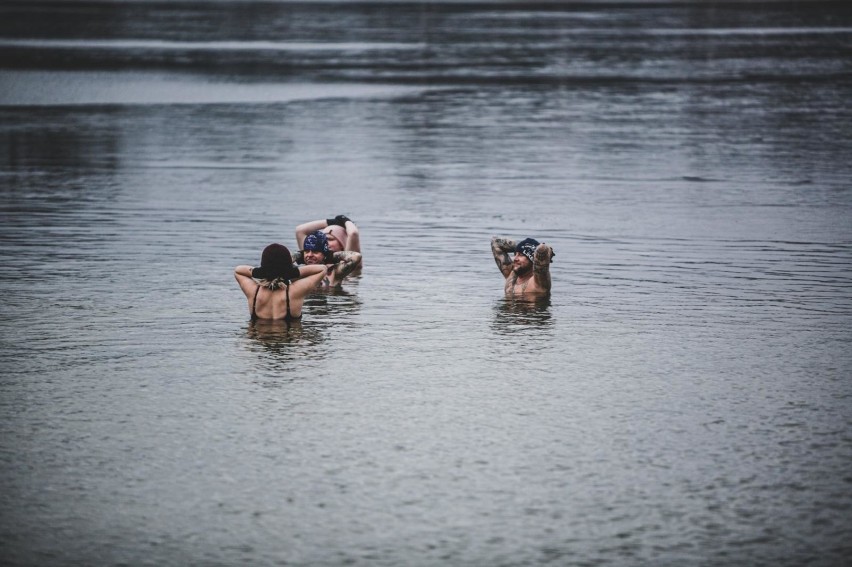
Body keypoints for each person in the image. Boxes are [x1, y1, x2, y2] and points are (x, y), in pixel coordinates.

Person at [234, 243, 327, 321]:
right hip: (288, 341)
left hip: (259, 341)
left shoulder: (253, 292)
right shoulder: (295, 292)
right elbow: (322, 269)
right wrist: (291, 272)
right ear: (288, 266)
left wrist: (261, 272)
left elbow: (238, 270)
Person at [491, 236, 555, 296]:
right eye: (515, 254)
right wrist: (520, 247)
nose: (515, 259)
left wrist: (545, 252)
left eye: (521, 255)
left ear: (533, 260)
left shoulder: (539, 283)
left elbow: (542, 249)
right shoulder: (512, 275)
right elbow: (495, 243)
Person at [298, 230, 362, 287]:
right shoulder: (298, 272)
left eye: (315, 252)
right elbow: (287, 264)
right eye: (306, 251)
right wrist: (299, 255)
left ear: (324, 254)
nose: (309, 255)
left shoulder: (334, 272)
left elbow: (356, 256)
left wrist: (331, 255)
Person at [295, 214, 361, 256]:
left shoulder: (350, 258)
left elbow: (353, 233)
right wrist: (331, 222)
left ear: (341, 243)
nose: (325, 242)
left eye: (330, 239)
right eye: (323, 239)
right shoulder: (312, 256)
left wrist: (345, 220)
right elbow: (299, 230)